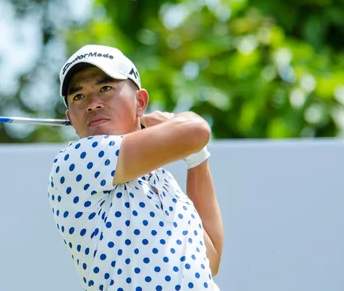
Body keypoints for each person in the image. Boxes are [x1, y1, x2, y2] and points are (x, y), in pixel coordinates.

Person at [48, 45, 223, 291]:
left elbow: (210, 259)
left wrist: (197, 157)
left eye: (105, 88)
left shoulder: (162, 179)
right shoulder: (77, 159)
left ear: (140, 101)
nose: (92, 104)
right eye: (78, 96)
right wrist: (174, 125)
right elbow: (197, 130)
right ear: (70, 118)